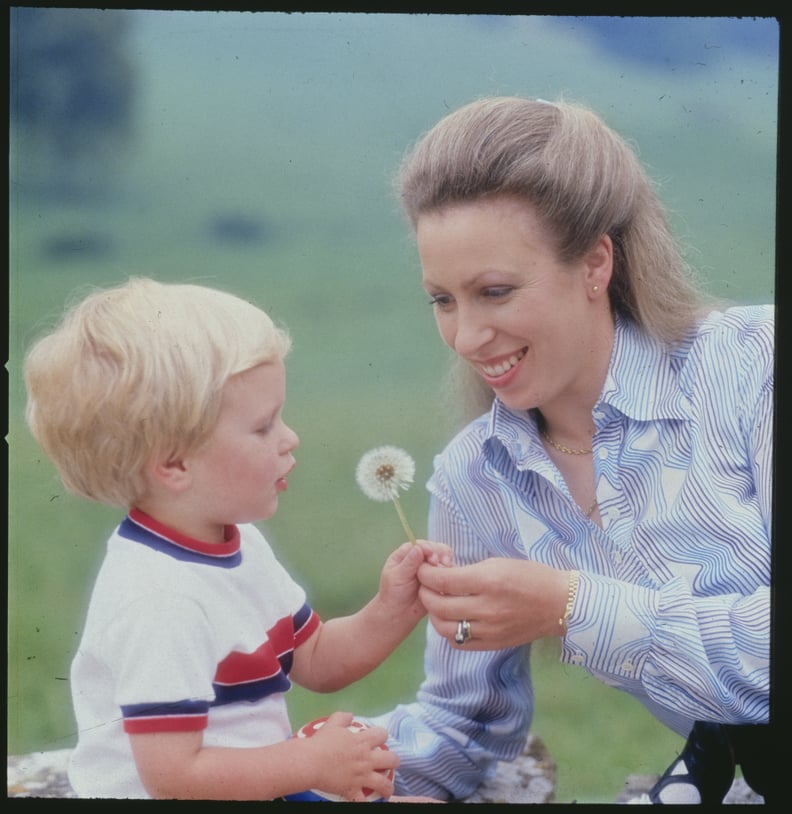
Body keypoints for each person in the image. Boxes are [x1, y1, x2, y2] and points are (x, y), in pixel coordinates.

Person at [366, 96, 773, 803]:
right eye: (443, 300)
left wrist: (573, 606)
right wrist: (322, 764)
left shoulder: (754, 367)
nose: (466, 338)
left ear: (595, 263)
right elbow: (464, 728)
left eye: (494, 291)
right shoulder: (473, 478)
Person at [23, 276, 452, 801]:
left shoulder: (239, 543)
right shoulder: (160, 600)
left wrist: (394, 607)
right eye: (264, 426)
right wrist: (309, 762)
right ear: (175, 463)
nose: (290, 438)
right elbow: (175, 776)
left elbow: (313, 658)